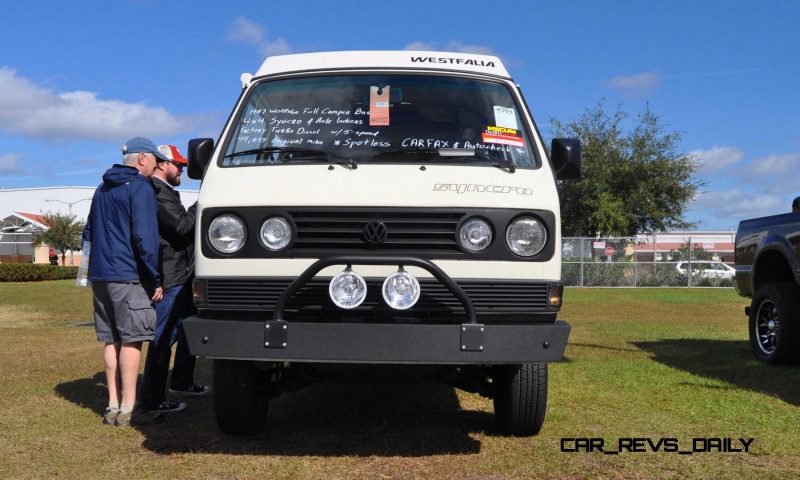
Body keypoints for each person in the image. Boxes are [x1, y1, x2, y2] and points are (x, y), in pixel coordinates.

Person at [83, 137, 167, 426]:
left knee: (111, 339)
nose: (157, 164)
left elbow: (88, 233)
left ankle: (113, 404)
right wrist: (154, 277)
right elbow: (145, 237)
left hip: (101, 274)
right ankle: (130, 408)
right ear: (141, 158)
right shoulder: (140, 187)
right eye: (155, 159)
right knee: (132, 339)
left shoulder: (101, 188)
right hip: (128, 275)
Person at [139, 144, 209, 414]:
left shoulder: (165, 192)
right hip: (172, 274)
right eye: (177, 165)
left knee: (186, 330)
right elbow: (181, 227)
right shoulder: (158, 193)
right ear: (161, 165)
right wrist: (202, 204)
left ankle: (182, 381)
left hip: (182, 272)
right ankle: (152, 398)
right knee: (163, 338)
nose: (181, 169)